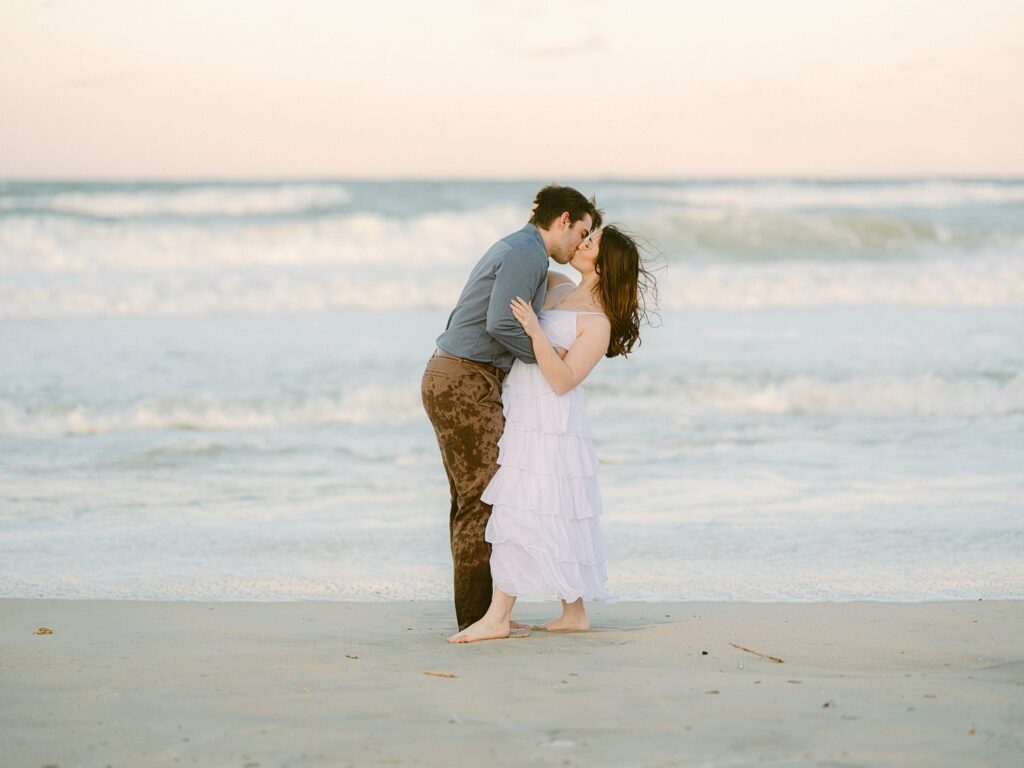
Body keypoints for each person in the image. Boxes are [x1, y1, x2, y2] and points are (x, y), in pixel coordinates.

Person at [448, 224, 656, 643]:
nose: (582, 243)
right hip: (523, 408)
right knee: (550, 506)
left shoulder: (597, 324)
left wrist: (536, 333)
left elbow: (563, 380)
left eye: (591, 242)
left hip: (552, 419)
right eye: (585, 235)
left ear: (604, 262)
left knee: (522, 505)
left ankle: (498, 617)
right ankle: (573, 613)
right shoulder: (558, 287)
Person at [421, 185, 602, 632]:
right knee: (483, 502)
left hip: (459, 374)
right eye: (580, 232)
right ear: (563, 220)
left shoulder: (517, 247)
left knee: (473, 500)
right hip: (464, 379)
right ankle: (479, 620)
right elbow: (500, 321)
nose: (579, 243)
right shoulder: (530, 255)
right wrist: (547, 360)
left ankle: (483, 616)